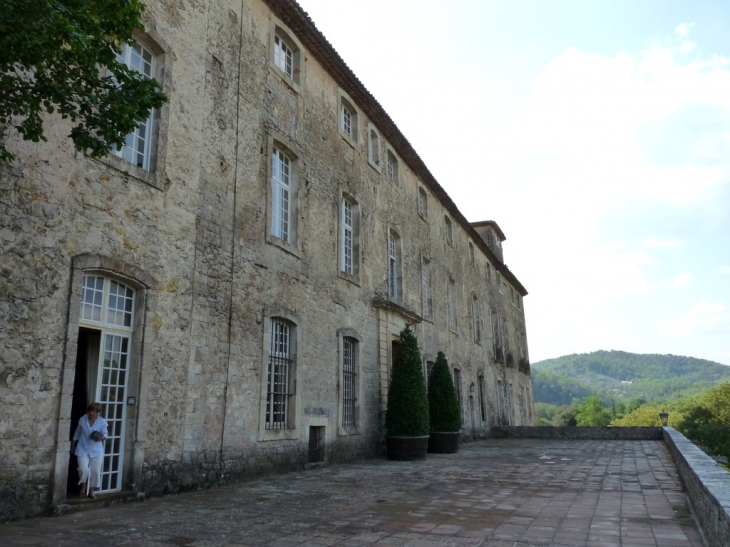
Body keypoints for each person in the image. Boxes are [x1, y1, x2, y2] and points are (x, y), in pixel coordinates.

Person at [70, 402, 108, 499]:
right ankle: (83, 485)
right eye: (90, 411)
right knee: (83, 469)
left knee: (95, 471)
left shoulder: (102, 422)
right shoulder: (82, 419)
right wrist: (73, 445)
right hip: (82, 448)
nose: (91, 413)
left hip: (96, 450)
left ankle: (92, 491)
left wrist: (101, 437)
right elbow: (77, 432)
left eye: (93, 411)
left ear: (97, 412)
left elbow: (105, 434)